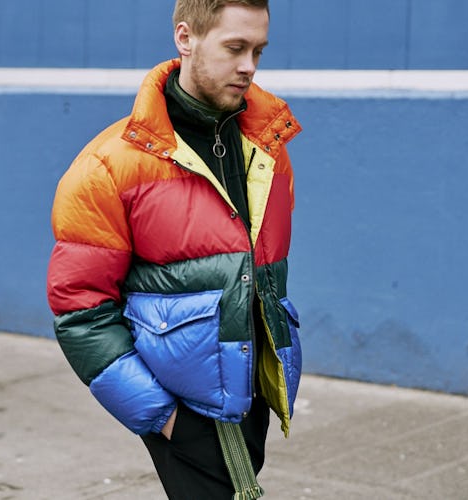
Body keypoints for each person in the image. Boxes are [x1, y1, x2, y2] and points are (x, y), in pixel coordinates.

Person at [46, 1, 302, 498]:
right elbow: (80, 310)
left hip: (252, 395)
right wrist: (163, 418)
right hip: (183, 409)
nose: (249, 66)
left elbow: (261, 272)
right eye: (234, 48)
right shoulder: (108, 167)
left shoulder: (269, 147)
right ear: (185, 39)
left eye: (257, 50)